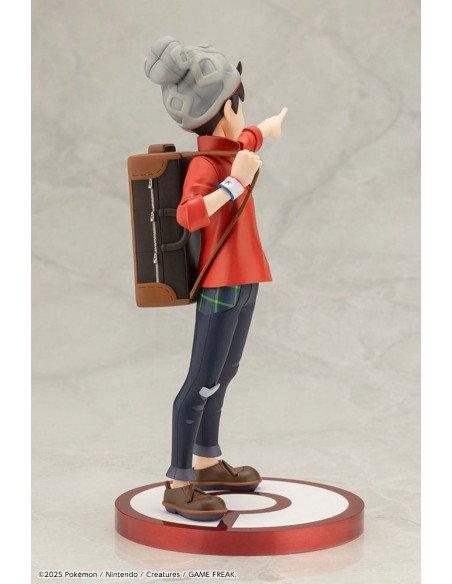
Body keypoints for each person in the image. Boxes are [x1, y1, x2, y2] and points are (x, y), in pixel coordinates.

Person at [145, 37, 287, 521]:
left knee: (226, 373)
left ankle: (206, 460)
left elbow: (249, 140)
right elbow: (188, 215)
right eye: (240, 104)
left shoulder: (232, 149)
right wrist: (234, 183)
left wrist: (267, 128)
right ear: (228, 108)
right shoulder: (209, 165)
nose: (243, 114)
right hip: (222, 283)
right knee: (201, 381)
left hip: (246, 280)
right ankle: (177, 482)